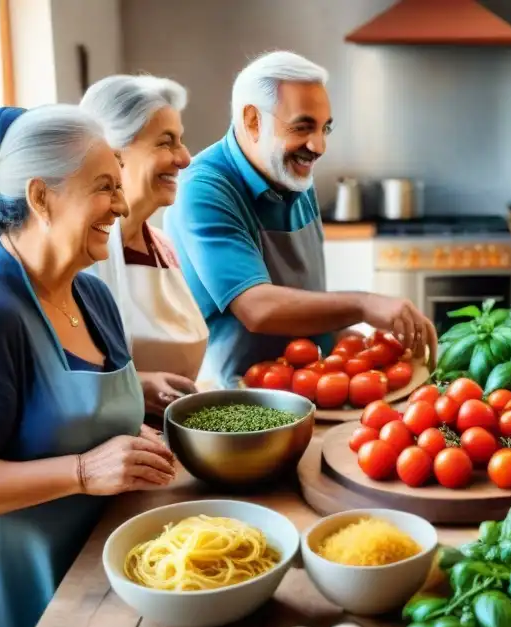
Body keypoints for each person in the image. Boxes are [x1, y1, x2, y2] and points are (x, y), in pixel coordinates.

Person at [0, 105, 177, 627]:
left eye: (119, 182)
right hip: (20, 600)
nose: (121, 201)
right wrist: (83, 471)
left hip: (99, 584)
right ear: (41, 197)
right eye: (104, 185)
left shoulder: (91, 293)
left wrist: (142, 419)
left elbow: (74, 408)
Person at [165, 50, 437, 389]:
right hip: (239, 397)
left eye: (325, 129)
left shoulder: (291, 172)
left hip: (309, 383)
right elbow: (257, 307)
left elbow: (303, 295)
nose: (319, 145)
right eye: (303, 127)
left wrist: (346, 341)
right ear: (252, 120)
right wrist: (364, 305)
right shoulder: (204, 188)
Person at [80, 74, 209, 416]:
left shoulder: (163, 247)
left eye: (180, 141)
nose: (185, 158)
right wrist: (132, 386)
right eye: (166, 142)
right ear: (112, 151)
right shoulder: (78, 257)